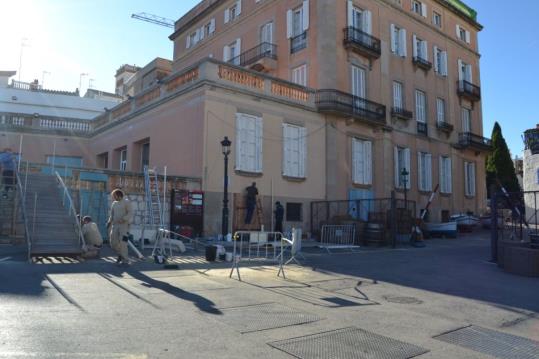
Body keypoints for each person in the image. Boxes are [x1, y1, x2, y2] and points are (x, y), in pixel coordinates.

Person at [107, 189, 133, 265]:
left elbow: (130, 212)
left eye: (114, 196)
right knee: (113, 242)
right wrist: (109, 222)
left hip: (124, 226)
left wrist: (124, 219)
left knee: (123, 243)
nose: (113, 197)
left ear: (119, 195)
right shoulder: (114, 204)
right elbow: (112, 214)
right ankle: (120, 254)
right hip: (115, 225)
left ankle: (125, 260)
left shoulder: (127, 202)